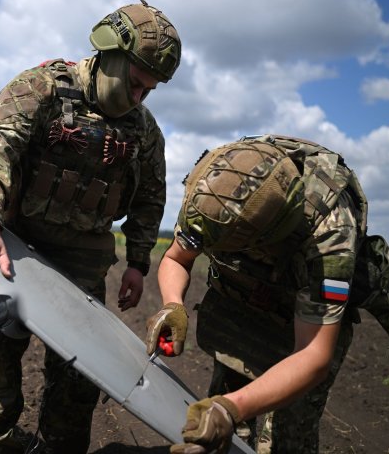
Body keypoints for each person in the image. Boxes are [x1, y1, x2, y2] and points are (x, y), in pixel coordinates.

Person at [0, 0, 181, 453]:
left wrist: (136, 264)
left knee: (77, 383)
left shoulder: (144, 130)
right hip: (16, 249)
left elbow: (151, 198)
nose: (137, 98)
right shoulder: (42, 87)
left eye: (148, 91)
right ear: (109, 54)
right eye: (133, 84)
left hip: (85, 264)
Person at [145, 134, 369, 453]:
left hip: (304, 321)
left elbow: (313, 355)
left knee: (283, 439)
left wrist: (229, 408)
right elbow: (176, 258)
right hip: (239, 301)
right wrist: (173, 305)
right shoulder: (213, 191)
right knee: (226, 427)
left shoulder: (330, 230)